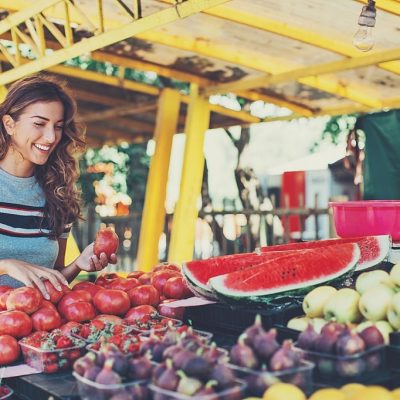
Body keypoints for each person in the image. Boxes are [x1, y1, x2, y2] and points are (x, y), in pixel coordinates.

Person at [0, 73, 117, 299]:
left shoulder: (58, 194)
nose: (50, 136)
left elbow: (53, 280)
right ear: (9, 124)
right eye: (39, 124)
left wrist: (79, 264)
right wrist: (5, 265)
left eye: (58, 126)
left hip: (33, 330)